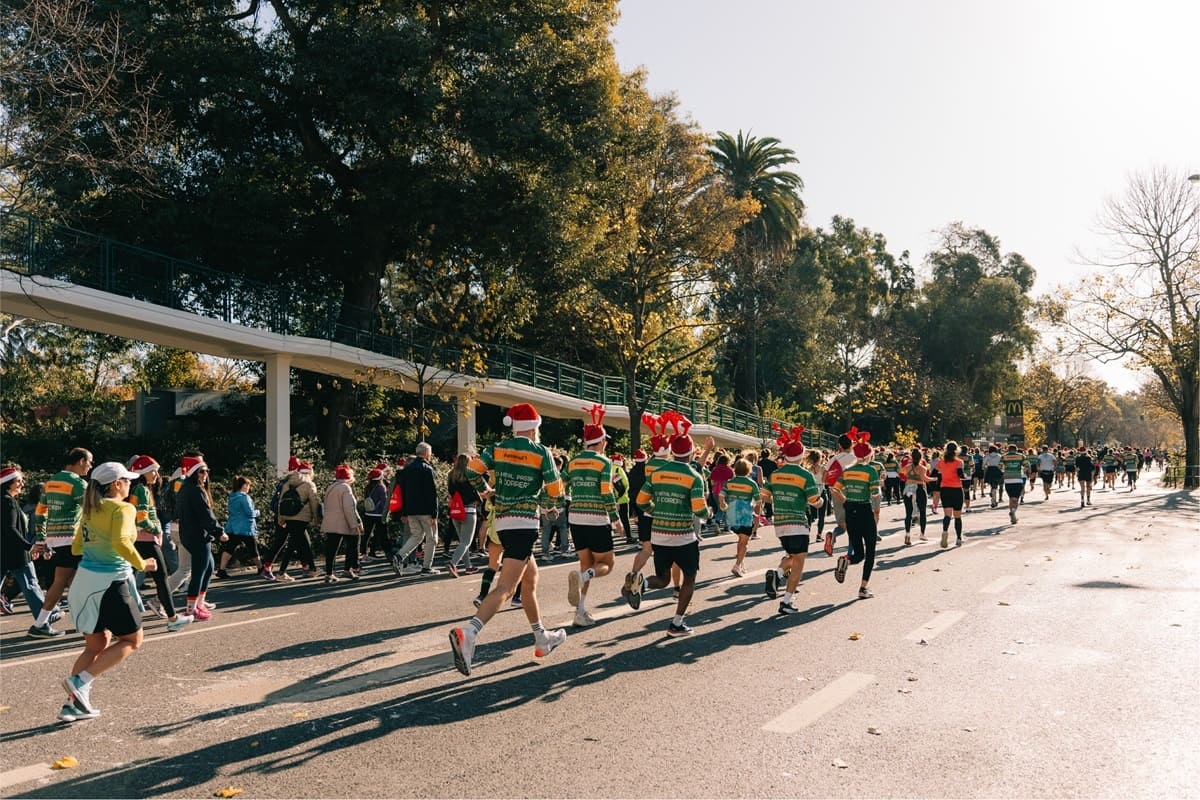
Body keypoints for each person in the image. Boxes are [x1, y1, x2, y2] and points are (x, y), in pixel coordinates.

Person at [449, 402, 567, 676]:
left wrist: (487, 490)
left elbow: (470, 471)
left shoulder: (496, 449)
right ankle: (469, 633)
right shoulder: (541, 452)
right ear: (535, 427)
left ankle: (541, 636)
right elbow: (554, 488)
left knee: (530, 578)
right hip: (524, 523)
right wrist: (547, 503)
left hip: (502, 522)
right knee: (506, 587)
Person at [59, 462, 156, 723]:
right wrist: (142, 564)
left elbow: (77, 547)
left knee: (96, 645)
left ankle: (72, 706)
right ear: (116, 484)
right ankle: (80, 682)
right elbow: (121, 542)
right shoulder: (123, 508)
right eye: (127, 480)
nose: (130, 484)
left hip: (84, 582)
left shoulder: (90, 509)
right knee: (132, 640)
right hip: (110, 582)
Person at [634, 423, 712, 636]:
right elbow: (699, 509)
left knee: (663, 579)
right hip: (683, 537)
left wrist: (655, 510)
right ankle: (676, 623)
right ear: (691, 452)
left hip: (658, 534)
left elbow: (641, 501)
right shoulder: (694, 476)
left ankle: (641, 584)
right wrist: (709, 514)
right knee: (689, 577)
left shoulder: (657, 473)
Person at [564, 406, 620, 627]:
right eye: (605, 440)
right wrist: (616, 519)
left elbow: (561, 483)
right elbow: (606, 491)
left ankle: (580, 612)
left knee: (586, 566)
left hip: (575, 517)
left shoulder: (573, 461)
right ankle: (582, 580)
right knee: (607, 563)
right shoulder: (604, 462)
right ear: (601, 442)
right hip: (597, 518)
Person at [30, 447, 93, 638]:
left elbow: (40, 511)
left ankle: (81, 621)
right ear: (81, 461)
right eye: (89, 462)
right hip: (72, 539)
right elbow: (93, 511)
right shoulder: (78, 484)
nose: (90, 466)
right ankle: (41, 623)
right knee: (64, 582)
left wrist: (41, 538)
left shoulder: (51, 481)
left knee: (73, 581)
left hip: (54, 538)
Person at [127, 456, 192, 631]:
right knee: (161, 578)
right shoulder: (142, 490)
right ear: (142, 472)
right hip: (146, 538)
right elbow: (141, 518)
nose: (157, 474)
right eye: (153, 470)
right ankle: (172, 618)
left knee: (131, 578)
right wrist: (156, 529)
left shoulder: (138, 489)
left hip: (140, 538)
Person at [761, 429, 822, 614]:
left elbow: (764, 496)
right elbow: (814, 501)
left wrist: (780, 500)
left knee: (793, 556)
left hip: (780, 524)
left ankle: (777, 574)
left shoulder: (775, 475)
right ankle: (787, 601)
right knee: (799, 562)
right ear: (802, 455)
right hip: (798, 522)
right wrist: (822, 501)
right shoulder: (805, 475)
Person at [620, 421, 672, 610]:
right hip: (662, 513)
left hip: (645, 512)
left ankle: (633, 576)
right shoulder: (669, 465)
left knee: (646, 549)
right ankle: (675, 587)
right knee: (670, 552)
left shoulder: (648, 465)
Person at [1, 465, 54, 628]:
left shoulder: (6, 501)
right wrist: (29, 547)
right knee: (31, 585)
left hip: (8, 552)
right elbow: (10, 529)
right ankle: (45, 621)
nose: (22, 484)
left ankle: (47, 618)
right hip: (15, 553)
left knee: (31, 584)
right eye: (18, 481)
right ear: (8, 483)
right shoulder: (8, 502)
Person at [176, 455, 226, 619]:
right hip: (197, 535)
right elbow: (205, 514)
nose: (206, 475)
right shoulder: (195, 490)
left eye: (206, 471)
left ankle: (199, 603)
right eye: (202, 471)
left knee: (209, 567)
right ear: (193, 473)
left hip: (191, 534)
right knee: (199, 570)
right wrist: (219, 532)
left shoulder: (185, 488)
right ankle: (191, 609)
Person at [831, 432, 880, 599]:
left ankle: (847, 560)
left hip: (850, 511)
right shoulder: (871, 470)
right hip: (865, 510)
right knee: (870, 551)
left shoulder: (847, 471)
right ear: (868, 454)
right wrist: (876, 490)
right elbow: (875, 494)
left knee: (858, 552)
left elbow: (834, 489)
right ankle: (863, 587)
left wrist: (845, 501)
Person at [392, 443, 441, 575]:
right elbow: (432, 492)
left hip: (411, 510)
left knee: (417, 535)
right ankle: (427, 567)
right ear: (426, 453)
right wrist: (434, 513)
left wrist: (405, 511)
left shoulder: (407, 470)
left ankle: (399, 556)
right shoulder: (426, 468)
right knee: (431, 538)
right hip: (425, 509)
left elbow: (404, 492)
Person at [271, 462, 320, 581]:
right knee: (292, 545)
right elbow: (314, 503)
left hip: (289, 517)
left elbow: (281, 502)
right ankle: (281, 572)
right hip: (302, 518)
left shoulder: (288, 483)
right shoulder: (310, 484)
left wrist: (281, 518)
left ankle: (313, 569)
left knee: (305, 543)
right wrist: (316, 519)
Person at [218, 475, 268, 581]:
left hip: (233, 526)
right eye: (248, 485)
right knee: (253, 548)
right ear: (244, 485)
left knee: (229, 548)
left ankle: (221, 569)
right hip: (246, 527)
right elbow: (249, 513)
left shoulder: (232, 496)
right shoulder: (245, 497)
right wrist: (257, 512)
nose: (249, 487)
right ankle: (260, 568)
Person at [320, 465, 363, 583]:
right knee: (353, 544)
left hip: (330, 522)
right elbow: (349, 508)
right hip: (344, 522)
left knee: (331, 548)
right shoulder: (346, 488)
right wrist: (355, 524)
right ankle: (348, 569)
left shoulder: (331, 487)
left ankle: (329, 573)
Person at [721, 458, 761, 578]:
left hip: (732, 515)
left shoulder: (729, 482)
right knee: (744, 542)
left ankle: (741, 562)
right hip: (745, 516)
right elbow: (758, 501)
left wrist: (723, 505)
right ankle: (737, 565)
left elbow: (721, 495)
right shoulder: (751, 484)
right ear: (748, 470)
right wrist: (756, 515)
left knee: (740, 540)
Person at [445, 454, 481, 577]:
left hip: (456, 510)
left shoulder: (451, 475)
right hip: (469, 510)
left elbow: (450, 491)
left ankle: (468, 566)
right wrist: (479, 499)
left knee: (462, 541)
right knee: (466, 542)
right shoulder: (469, 474)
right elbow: (474, 491)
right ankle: (453, 563)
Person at [934, 441, 967, 548]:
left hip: (945, 489)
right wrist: (965, 476)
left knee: (947, 515)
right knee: (957, 516)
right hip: (956, 489)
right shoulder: (959, 462)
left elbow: (936, 476)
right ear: (956, 450)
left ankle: (944, 532)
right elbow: (960, 474)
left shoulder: (941, 462)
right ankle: (958, 538)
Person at [360, 464, 390, 561]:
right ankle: (388, 553)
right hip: (379, 514)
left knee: (367, 534)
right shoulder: (381, 487)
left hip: (368, 513)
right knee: (383, 534)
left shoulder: (368, 487)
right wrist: (386, 513)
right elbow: (384, 502)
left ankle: (363, 553)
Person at [901, 448, 929, 545]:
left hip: (908, 489)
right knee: (922, 512)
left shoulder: (907, 467)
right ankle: (922, 533)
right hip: (920, 489)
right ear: (921, 457)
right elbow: (925, 479)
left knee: (908, 513)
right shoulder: (923, 468)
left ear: (911, 457)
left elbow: (901, 473)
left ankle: (907, 534)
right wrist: (935, 479)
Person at [1000, 443, 1027, 524]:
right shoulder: (1021, 456)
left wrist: (1005, 471)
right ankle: (1013, 511)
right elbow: (1027, 465)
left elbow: (1000, 466)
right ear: (1016, 449)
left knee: (1011, 498)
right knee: (1016, 499)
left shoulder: (1004, 456)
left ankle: (1012, 515)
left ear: (1008, 449)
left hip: (1008, 479)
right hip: (1018, 479)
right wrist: (1023, 470)